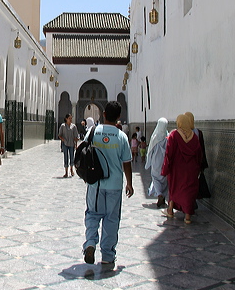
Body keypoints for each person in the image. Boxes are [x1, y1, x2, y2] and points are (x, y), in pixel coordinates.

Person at [82, 101, 133, 269]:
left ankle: (90, 243)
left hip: (95, 184)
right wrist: (130, 184)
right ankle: (107, 255)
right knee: (111, 219)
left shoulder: (93, 131)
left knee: (92, 214)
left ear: (104, 114)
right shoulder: (121, 136)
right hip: (114, 185)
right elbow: (127, 162)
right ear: (118, 117)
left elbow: (83, 151)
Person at [161, 114, 203, 224]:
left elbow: (168, 153)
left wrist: (166, 168)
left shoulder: (174, 135)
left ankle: (170, 210)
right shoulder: (194, 137)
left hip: (177, 170)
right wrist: (198, 168)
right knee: (188, 190)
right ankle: (187, 216)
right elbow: (199, 155)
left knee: (175, 189)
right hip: (191, 170)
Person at [145, 118, 169, 208]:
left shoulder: (155, 137)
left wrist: (148, 162)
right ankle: (163, 195)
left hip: (156, 162)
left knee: (155, 178)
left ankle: (159, 194)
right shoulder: (168, 137)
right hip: (165, 162)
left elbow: (150, 150)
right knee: (165, 179)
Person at [58, 113, 80, 177]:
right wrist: (63, 139)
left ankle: (71, 169)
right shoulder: (63, 126)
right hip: (65, 144)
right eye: (69, 118)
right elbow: (60, 135)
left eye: (71, 118)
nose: (70, 120)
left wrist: (76, 143)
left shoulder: (74, 126)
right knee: (66, 157)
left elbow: (76, 135)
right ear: (66, 119)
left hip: (71, 144)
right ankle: (66, 172)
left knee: (72, 157)